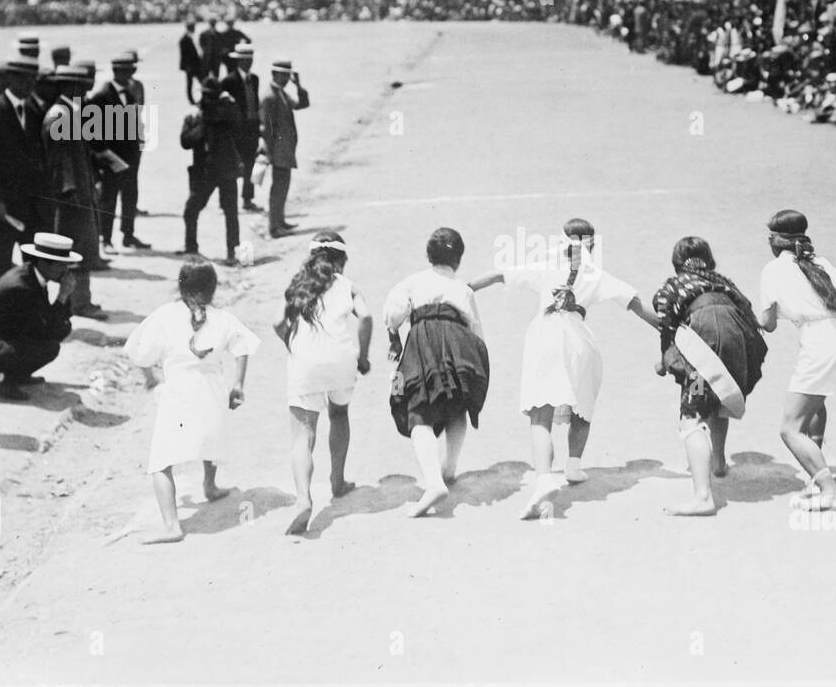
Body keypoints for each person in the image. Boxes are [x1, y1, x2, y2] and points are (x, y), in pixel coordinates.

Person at [468, 218, 660, 520]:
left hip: (543, 337)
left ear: (561, 243)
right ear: (592, 246)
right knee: (583, 405)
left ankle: (544, 477)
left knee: (540, 416)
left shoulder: (544, 266)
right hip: (579, 342)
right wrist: (672, 329)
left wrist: (461, 289)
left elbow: (495, 276)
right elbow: (638, 306)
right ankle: (573, 467)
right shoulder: (598, 275)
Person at [124, 256, 260, 544]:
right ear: (213, 288)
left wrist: (150, 378)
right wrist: (238, 384)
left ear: (181, 285)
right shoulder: (222, 318)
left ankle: (172, 525)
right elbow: (243, 346)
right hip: (212, 390)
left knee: (162, 461)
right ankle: (209, 486)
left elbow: (138, 351)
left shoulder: (164, 315)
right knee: (210, 439)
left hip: (179, 393)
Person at [653, 236, 768, 516]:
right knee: (720, 397)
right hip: (739, 339)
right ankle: (718, 462)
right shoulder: (725, 282)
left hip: (705, 337)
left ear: (678, 263)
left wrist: (665, 361)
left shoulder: (673, 285)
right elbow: (750, 315)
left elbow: (666, 326)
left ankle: (703, 497)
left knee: (691, 417)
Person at [758, 209, 836, 511]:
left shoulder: (772, 270)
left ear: (775, 241)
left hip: (821, 345)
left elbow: (768, 323)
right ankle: (816, 479)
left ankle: (831, 491)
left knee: (789, 428)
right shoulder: (820, 262)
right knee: (816, 404)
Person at [383, 228, 490, 518]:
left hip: (424, 342)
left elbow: (394, 313)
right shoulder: (463, 290)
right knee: (457, 405)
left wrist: (394, 331)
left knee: (418, 410)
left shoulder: (413, 281)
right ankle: (449, 467)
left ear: (429, 256)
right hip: (459, 343)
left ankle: (433, 482)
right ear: (458, 259)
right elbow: (475, 328)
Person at [276, 231, 373, 535]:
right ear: (342, 261)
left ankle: (304, 499)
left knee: (303, 436)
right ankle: (338, 481)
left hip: (305, 363)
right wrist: (363, 357)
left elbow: (277, 323)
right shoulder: (348, 286)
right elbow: (367, 318)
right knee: (339, 415)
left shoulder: (297, 286)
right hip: (341, 360)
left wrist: (292, 345)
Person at [0, 232, 81, 401]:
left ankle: (17, 374)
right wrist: (62, 296)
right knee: (46, 347)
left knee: (47, 344)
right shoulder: (21, 287)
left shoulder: (33, 276)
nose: (65, 271)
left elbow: (52, 324)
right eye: (61, 266)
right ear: (43, 262)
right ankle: (2, 380)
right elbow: (47, 329)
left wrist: (62, 303)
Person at [0, 56, 47, 290]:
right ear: (11, 80)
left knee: (34, 265)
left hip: (31, 205)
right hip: (2, 207)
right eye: (25, 80)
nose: (30, 86)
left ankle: (32, 318)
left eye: (33, 80)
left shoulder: (36, 110)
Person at [40, 66, 108, 320]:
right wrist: (72, 191)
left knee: (84, 248)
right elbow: (61, 161)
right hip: (71, 196)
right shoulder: (60, 115)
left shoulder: (70, 112)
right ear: (70, 87)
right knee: (77, 250)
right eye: (82, 85)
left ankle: (80, 300)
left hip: (80, 191)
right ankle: (77, 303)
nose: (87, 89)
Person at [91, 52, 152, 252]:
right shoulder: (102, 95)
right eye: (127, 71)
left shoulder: (131, 92)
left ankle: (128, 234)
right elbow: (95, 131)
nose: (130, 74)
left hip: (131, 154)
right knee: (109, 198)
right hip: (112, 156)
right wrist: (105, 157)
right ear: (117, 71)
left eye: (132, 70)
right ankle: (106, 239)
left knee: (130, 195)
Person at [179, 76, 242, 264]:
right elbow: (185, 141)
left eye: (212, 96)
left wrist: (226, 109)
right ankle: (191, 247)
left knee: (230, 210)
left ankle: (232, 250)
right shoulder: (195, 115)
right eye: (206, 96)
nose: (208, 100)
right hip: (204, 169)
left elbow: (238, 127)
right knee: (191, 209)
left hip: (225, 168)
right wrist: (203, 123)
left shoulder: (227, 109)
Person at [259, 58, 309, 237]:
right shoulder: (270, 96)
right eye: (283, 75)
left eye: (288, 75)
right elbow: (267, 128)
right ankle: (274, 226)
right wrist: (270, 152)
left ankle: (280, 221)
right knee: (278, 186)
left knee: (283, 184)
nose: (287, 78)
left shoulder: (280, 93)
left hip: (285, 148)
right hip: (278, 149)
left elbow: (302, 104)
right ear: (274, 74)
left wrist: (299, 86)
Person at [220, 43, 264, 213]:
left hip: (252, 129)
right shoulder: (229, 81)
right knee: (231, 165)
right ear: (238, 61)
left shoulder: (254, 79)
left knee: (250, 165)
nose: (248, 63)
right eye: (244, 60)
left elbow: (256, 102)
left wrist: (260, 124)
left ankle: (247, 199)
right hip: (235, 130)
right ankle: (225, 202)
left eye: (250, 60)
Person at [178, 21, 202, 103]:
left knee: (194, 82)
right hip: (190, 65)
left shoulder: (189, 38)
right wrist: (187, 66)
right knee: (190, 83)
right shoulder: (184, 39)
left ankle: (193, 99)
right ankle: (191, 100)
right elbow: (184, 55)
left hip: (194, 64)